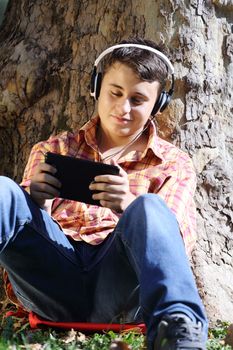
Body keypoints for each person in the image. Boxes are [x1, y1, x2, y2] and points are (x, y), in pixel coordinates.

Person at [0, 37, 208, 349]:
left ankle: (180, 333)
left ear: (158, 104)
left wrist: (127, 206)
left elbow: (173, 247)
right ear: (97, 87)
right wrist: (39, 202)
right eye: (115, 92)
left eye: (138, 100)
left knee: (149, 207)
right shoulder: (54, 148)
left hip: (121, 286)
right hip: (53, 279)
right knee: (4, 190)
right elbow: (26, 235)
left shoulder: (173, 164)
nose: (123, 108)